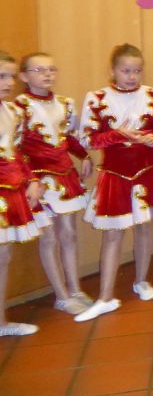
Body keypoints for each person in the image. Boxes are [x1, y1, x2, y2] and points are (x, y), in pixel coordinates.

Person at [74, 44, 153, 322]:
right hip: (115, 175)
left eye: (137, 71)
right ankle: (105, 296)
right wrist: (118, 134)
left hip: (148, 172)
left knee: (144, 228)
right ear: (113, 70)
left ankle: (141, 281)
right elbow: (88, 139)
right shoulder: (96, 98)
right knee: (113, 234)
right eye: (126, 71)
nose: (132, 76)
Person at [15, 53, 93, 315]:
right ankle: (61, 295)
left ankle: (75, 289)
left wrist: (84, 155)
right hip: (38, 180)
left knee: (69, 234)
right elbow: (15, 148)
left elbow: (67, 137)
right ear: (24, 76)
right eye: (38, 70)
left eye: (51, 69)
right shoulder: (20, 107)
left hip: (64, 175)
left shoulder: (65, 103)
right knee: (49, 238)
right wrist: (30, 180)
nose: (47, 74)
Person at [0, 50, 44, 336]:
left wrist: (33, 180)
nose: (8, 83)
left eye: (11, 77)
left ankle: (1, 321)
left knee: (4, 254)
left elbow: (17, 153)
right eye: (1, 76)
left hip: (10, 190)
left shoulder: (12, 111)